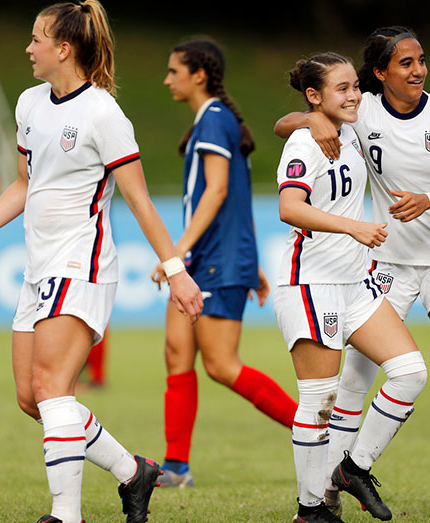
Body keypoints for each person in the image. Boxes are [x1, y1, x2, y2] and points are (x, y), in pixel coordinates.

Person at [0, 2, 203, 522]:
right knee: (30, 398)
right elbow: (23, 184)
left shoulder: (104, 114)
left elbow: (141, 201)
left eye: (37, 39)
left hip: (82, 263)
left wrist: (176, 272)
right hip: (39, 269)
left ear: (64, 49)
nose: (28, 48)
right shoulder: (30, 103)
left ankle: (66, 514)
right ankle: (134, 472)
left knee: (50, 389)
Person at [275, 27, 430, 523]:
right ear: (380, 74)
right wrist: (314, 118)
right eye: (405, 63)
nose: (418, 69)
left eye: (421, 59)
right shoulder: (361, 113)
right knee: (352, 380)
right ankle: (326, 491)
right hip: (383, 266)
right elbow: (286, 125)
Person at [276, 51, 428, 523]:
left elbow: (289, 117)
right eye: (342, 88)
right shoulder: (305, 142)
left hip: (354, 282)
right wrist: (353, 227)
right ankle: (310, 510)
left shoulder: (352, 128)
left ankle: (352, 468)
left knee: (410, 372)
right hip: (310, 281)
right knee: (319, 400)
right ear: (315, 95)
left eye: (355, 86)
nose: (354, 95)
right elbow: (290, 207)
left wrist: (313, 116)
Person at [150, 39, 298, 488]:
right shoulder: (212, 120)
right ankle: (176, 466)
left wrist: (176, 253)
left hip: (211, 260)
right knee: (177, 354)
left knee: (221, 365)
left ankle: (316, 434)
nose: (167, 79)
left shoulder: (213, 118)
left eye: (174, 70)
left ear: (199, 74)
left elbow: (216, 192)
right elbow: (234, 194)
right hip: (207, 258)